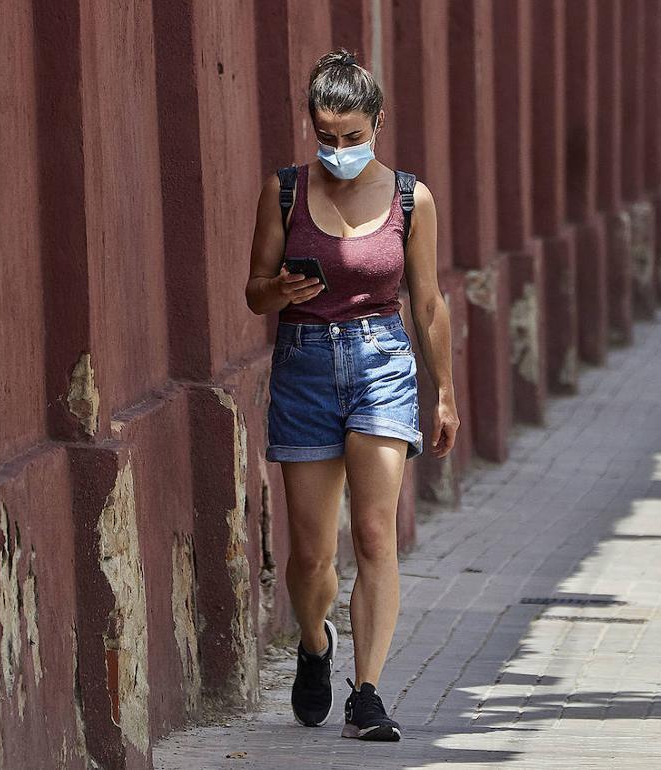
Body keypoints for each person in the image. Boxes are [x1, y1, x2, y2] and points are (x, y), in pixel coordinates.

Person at [244, 48, 460, 741]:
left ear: (379, 124)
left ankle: (366, 695)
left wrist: (446, 393)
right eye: (327, 137)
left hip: (382, 363)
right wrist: (279, 291)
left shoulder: (409, 198)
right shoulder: (283, 191)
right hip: (304, 366)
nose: (339, 150)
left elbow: (427, 303)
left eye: (353, 137)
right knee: (310, 555)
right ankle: (314, 643)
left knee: (374, 533)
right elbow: (254, 290)